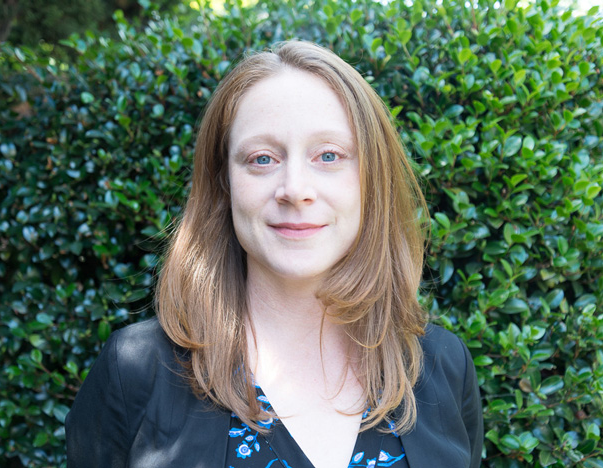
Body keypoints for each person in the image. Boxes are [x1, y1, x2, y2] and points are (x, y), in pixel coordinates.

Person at [65, 40, 483, 468]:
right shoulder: (136, 372)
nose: (295, 189)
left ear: (371, 181)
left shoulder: (443, 367)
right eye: (262, 159)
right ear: (224, 183)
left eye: (328, 155)